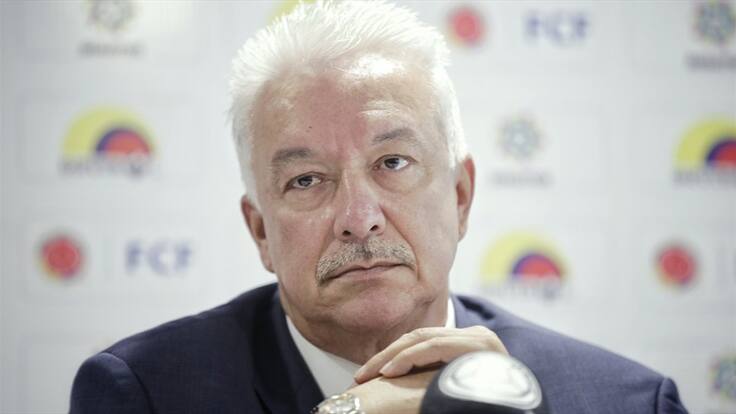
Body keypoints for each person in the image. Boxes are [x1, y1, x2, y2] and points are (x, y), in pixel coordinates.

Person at [70, 1, 688, 413]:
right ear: (260, 231)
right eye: (307, 180)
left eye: (392, 163)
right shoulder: (145, 394)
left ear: (460, 196)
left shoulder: (627, 403)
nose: (358, 217)